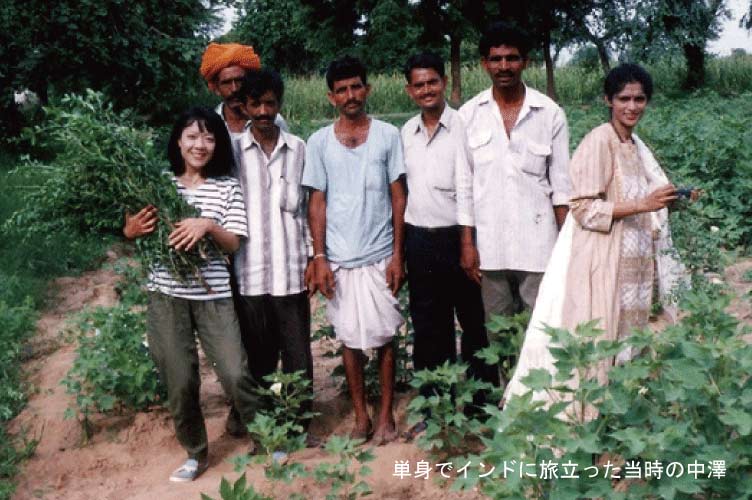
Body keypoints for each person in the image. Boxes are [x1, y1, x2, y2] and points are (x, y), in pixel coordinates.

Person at [504, 63, 690, 417]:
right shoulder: (598, 141)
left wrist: (669, 201)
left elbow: (640, 200)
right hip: (604, 263)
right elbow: (583, 208)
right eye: (624, 99)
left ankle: (618, 421)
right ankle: (587, 426)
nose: (632, 107)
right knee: (598, 343)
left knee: (627, 346)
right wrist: (643, 204)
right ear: (608, 100)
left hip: (633, 267)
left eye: (639, 99)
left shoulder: (633, 145)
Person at [123, 107, 260, 482]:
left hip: (213, 294)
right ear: (178, 141)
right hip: (166, 295)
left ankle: (266, 437)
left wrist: (207, 225)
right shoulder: (157, 184)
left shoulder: (227, 186)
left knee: (235, 372)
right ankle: (196, 453)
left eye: (209, 137)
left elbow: (233, 244)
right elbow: (132, 231)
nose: (201, 145)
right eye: (192, 136)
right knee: (179, 380)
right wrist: (130, 230)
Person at [303, 56, 406, 445]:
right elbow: (317, 202)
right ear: (332, 97)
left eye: (356, 87)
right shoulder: (319, 142)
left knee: (385, 336)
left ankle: (386, 416)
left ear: (368, 89)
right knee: (349, 338)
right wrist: (320, 258)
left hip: (380, 254)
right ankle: (360, 417)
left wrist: (398, 255)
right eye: (342, 89)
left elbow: (398, 198)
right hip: (339, 260)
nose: (350, 95)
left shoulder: (387, 136)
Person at [400, 52, 499, 440]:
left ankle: (479, 408)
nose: (426, 90)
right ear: (409, 90)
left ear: (444, 83)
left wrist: (467, 242)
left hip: (460, 237)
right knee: (428, 328)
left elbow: (470, 186)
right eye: (418, 84)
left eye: (432, 82)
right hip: (419, 240)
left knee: (474, 324)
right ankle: (435, 406)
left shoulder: (465, 125)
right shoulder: (404, 133)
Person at [458, 22, 571, 332]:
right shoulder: (468, 115)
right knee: (500, 335)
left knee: (542, 331)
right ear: (484, 64)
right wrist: (467, 244)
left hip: (539, 246)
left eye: (512, 58)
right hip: (490, 248)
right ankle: (505, 383)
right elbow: (465, 186)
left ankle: (543, 384)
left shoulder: (549, 113)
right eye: (496, 59)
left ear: (525, 62)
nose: (504, 66)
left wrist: (566, 245)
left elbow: (561, 188)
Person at [230, 68, 316, 442]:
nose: (264, 111)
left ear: (279, 104)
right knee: (258, 355)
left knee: (298, 355)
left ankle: (298, 425)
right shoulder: (231, 152)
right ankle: (262, 427)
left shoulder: (299, 149)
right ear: (244, 107)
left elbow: (310, 209)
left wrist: (314, 258)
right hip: (249, 272)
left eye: (270, 103)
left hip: (292, 270)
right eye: (256, 104)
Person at [199, 42, 288, 138]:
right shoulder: (209, 122)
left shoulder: (273, 120)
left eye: (239, 80)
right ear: (216, 89)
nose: (234, 89)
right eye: (226, 82)